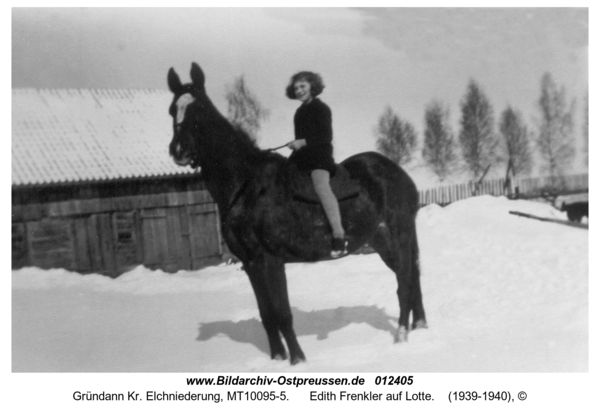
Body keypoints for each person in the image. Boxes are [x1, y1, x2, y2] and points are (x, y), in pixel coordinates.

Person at [285, 71, 348, 258]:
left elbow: (325, 137)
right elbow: (300, 140)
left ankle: (339, 236)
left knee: (320, 186)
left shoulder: (322, 109)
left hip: (320, 157)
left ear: (312, 86)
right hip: (303, 158)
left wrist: (303, 142)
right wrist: (295, 146)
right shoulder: (299, 113)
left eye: (302, 86)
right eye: (296, 88)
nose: (299, 90)